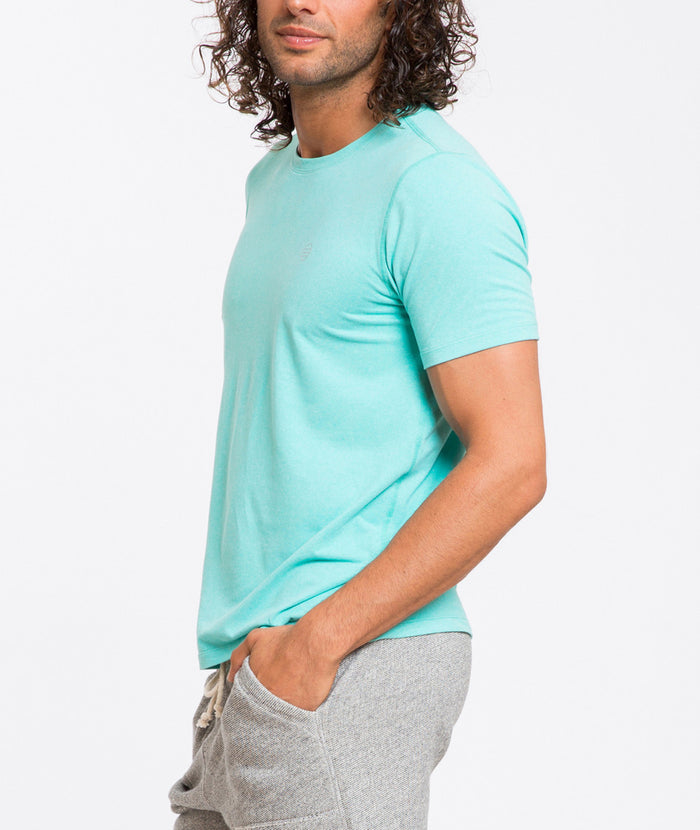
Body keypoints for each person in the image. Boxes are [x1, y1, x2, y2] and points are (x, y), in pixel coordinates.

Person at [168, 0, 547, 827]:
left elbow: (513, 461)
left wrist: (316, 645)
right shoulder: (274, 180)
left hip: (351, 660)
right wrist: (276, 661)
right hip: (255, 669)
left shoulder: (436, 187)